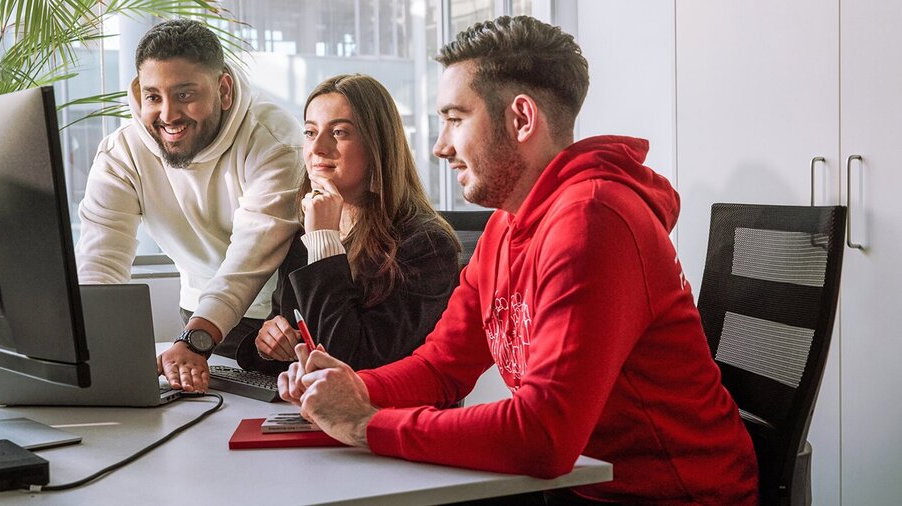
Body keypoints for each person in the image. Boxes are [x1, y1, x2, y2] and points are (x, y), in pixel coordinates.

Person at [278, 15, 760, 505]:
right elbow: (441, 367)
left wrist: (366, 423)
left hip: (667, 497)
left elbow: (542, 436)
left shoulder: (594, 221)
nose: (441, 146)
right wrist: (345, 385)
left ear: (522, 118)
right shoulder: (507, 227)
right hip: (579, 484)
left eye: (455, 119)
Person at [75, 19, 302, 393]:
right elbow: (100, 261)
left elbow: (250, 259)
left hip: (271, 325)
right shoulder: (121, 153)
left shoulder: (274, 140)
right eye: (153, 96)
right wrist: (100, 349)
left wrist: (196, 339)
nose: (167, 115)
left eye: (184, 95)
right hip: (197, 316)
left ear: (223, 89)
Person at [234, 74, 460, 374]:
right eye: (310, 132)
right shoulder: (308, 229)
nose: (318, 148)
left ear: (377, 145)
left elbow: (350, 360)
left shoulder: (426, 245)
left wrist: (324, 241)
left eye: (339, 132)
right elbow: (295, 335)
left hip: (383, 415)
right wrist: (269, 343)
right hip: (310, 408)